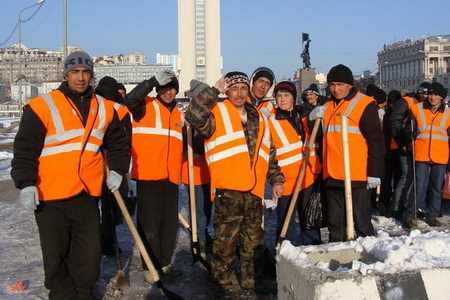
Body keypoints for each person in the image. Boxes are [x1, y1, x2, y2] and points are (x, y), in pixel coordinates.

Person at [11, 51, 130, 299]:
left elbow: (119, 144)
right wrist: (26, 183)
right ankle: (62, 294)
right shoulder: (43, 105)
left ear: (91, 75)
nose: (81, 77)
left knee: (87, 256)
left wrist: (118, 170)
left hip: (86, 194)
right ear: (65, 74)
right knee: (55, 256)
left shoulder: (105, 108)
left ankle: (83, 292)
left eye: (86, 72)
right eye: (75, 72)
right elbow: (25, 148)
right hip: (50, 194)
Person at [185, 72, 285, 298]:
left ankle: (251, 282)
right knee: (225, 243)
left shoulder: (258, 117)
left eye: (243, 88)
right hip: (227, 190)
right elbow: (192, 115)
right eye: (234, 88)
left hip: (253, 190)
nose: (239, 93)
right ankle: (223, 283)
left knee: (252, 242)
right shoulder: (216, 113)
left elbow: (268, 152)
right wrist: (213, 91)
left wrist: (276, 179)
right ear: (227, 91)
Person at [309, 64, 384, 242]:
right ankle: (338, 254)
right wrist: (312, 120)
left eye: (340, 85)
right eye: (332, 85)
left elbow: (376, 142)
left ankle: (368, 254)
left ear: (349, 85)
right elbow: (319, 136)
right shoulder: (327, 106)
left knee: (361, 221)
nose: (335, 89)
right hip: (332, 174)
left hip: (356, 175)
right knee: (335, 222)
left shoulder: (364, 104)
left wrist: (374, 172)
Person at [124, 70, 183, 282]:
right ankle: (150, 267)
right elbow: (129, 99)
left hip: (171, 177)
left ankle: (165, 263)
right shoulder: (144, 106)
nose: (168, 92)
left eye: (172, 88)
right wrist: (151, 82)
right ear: (159, 89)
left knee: (168, 225)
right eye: (164, 88)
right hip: (149, 175)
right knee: (149, 225)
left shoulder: (179, 115)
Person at [268, 81, 322, 245]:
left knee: (310, 219)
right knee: (286, 223)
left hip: (309, 178)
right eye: (279, 96)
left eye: (286, 95)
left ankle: (313, 251)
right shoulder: (271, 121)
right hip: (285, 181)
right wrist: (276, 181)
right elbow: (269, 156)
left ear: (294, 97)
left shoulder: (304, 116)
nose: (282, 99)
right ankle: (285, 255)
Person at [402, 82, 450, 228]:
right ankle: (409, 215)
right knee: (418, 186)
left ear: (442, 97)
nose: (432, 97)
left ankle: (432, 215)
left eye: (435, 94)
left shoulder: (448, 113)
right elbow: (406, 127)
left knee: (436, 188)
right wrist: (408, 134)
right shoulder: (417, 109)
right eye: (430, 94)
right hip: (421, 153)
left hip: (440, 154)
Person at [95, 76, 132, 256]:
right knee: (110, 207)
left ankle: (102, 241)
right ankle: (107, 241)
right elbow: (125, 140)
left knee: (100, 207)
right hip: (108, 163)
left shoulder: (96, 106)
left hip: (103, 163)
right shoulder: (120, 109)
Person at [390, 82, 430, 220]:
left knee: (413, 178)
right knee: (406, 175)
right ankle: (397, 207)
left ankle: (409, 206)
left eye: (428, 93)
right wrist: (401, 142)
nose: (426, 96)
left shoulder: (425, 107)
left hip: (417, 147)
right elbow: (394, 121)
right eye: (424, 93)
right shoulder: (407, 102)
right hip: (404, 145)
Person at [180, 127, 213, 251]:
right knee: (199, 208)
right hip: (194, 172)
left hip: (209, 171)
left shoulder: (209, 120)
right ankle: (200, 237)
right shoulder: (188, 125)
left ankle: (202, 232)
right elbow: (187, 146)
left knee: (207, 207)